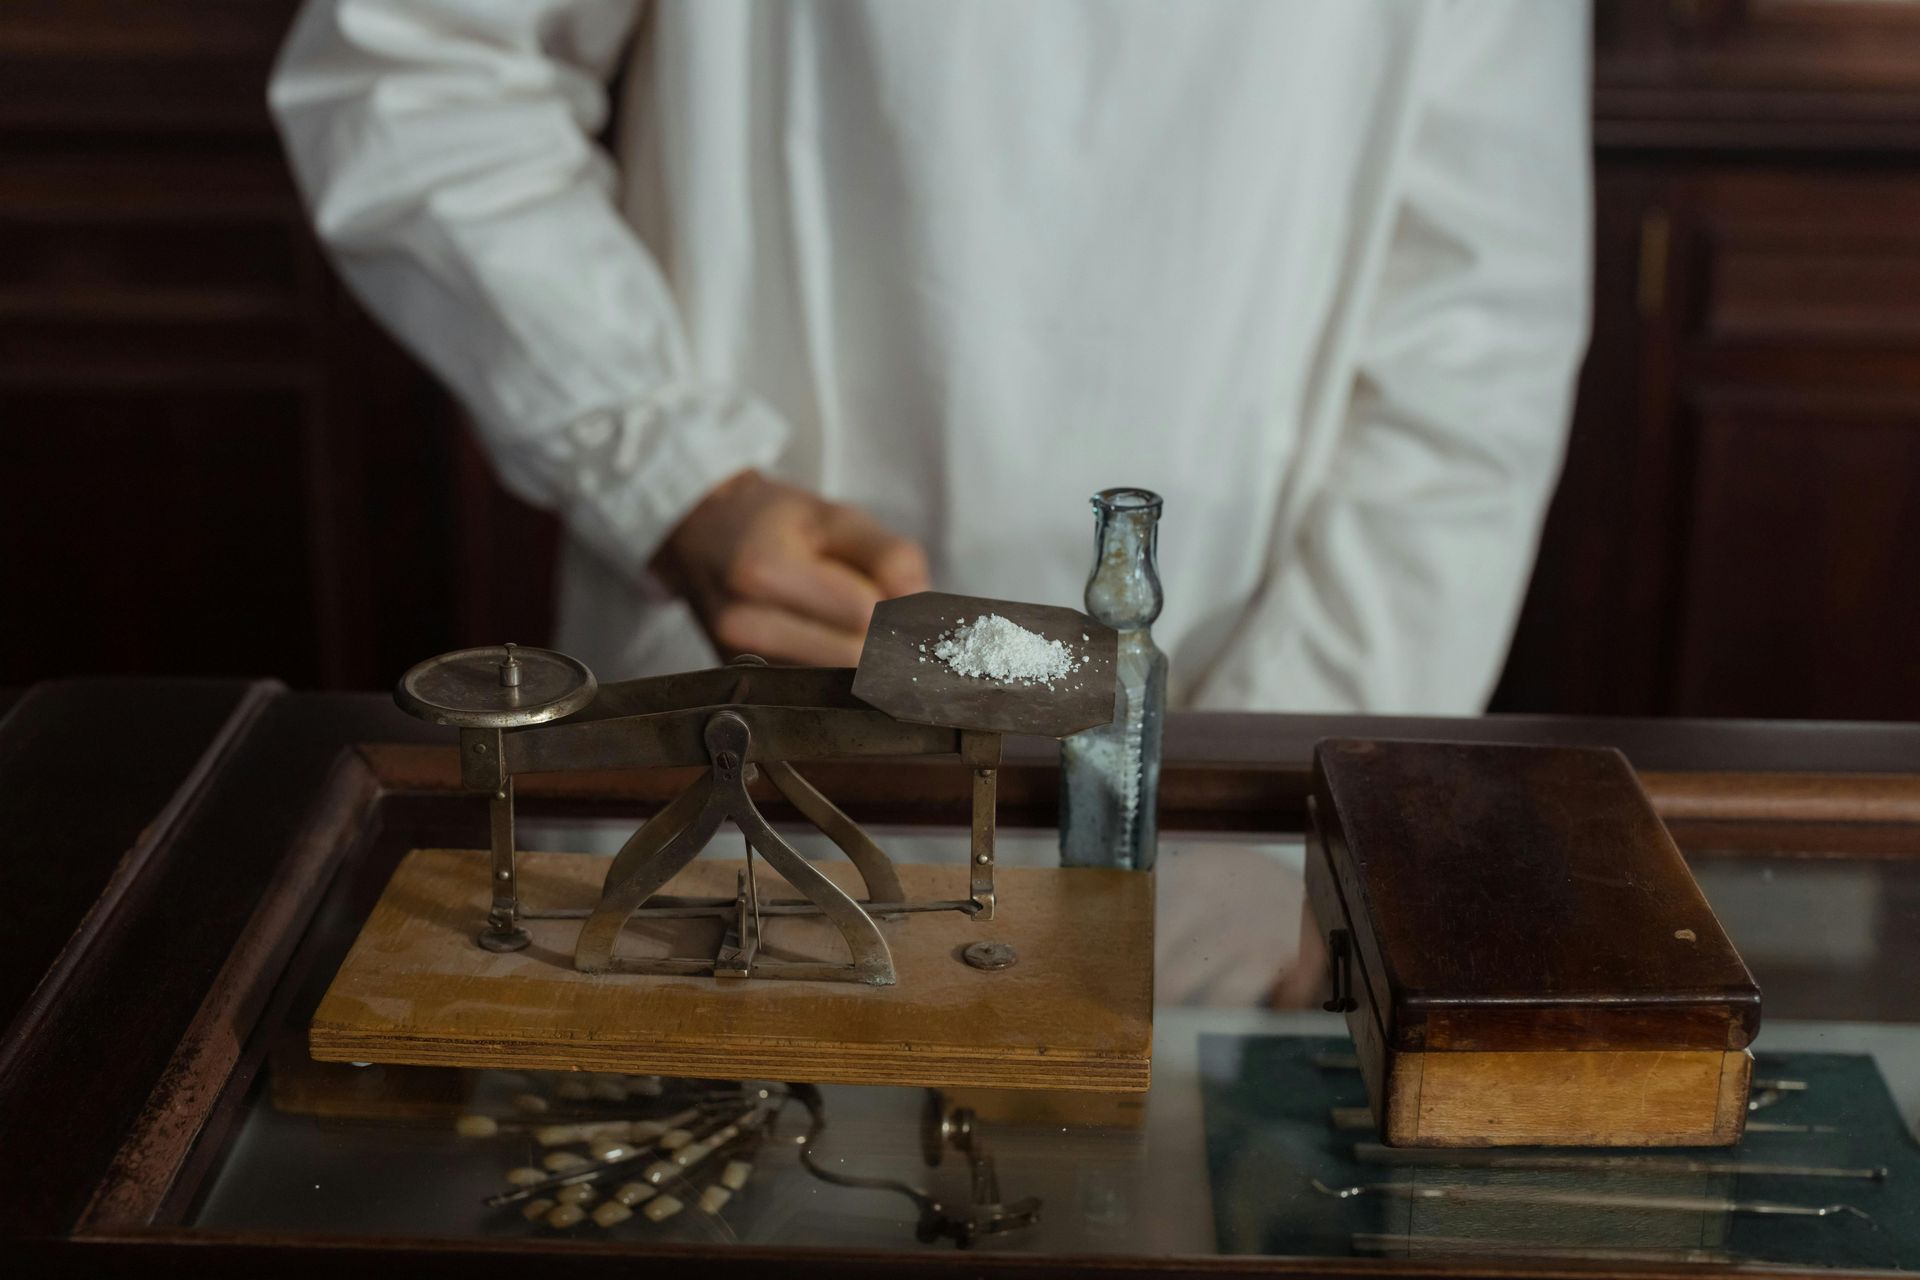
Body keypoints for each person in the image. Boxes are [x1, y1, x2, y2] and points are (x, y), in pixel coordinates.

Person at [271, 0, 1590, 1004]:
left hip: (1225, 777)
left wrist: (1281, 796)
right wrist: (673, 476)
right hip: (742, 708)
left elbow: (1475, 325)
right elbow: (412, 61)